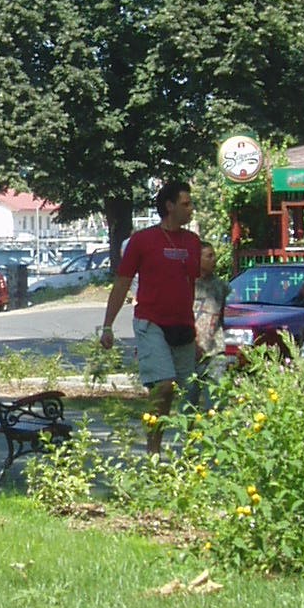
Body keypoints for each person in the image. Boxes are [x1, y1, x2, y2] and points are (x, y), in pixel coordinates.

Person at [100, 181, 202, 455]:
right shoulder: (143, 241)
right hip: (151, 322)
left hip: (183, 326)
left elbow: (193, 287)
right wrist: (108, 326)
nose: (191, 209)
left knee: (190, 393)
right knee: (164, 385)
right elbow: (122, 282)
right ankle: (153, 450)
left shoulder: (193, 242)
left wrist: (197, 330)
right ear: (169, 206)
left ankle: (191, 455)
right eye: (185, 204)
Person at [193, 240, 226, 361]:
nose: (214, 259)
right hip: (192, 348)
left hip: (216, 348)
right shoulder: (188, 284)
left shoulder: (220, 286)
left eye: (214, 255)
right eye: (209, 256)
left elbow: (221, 315)